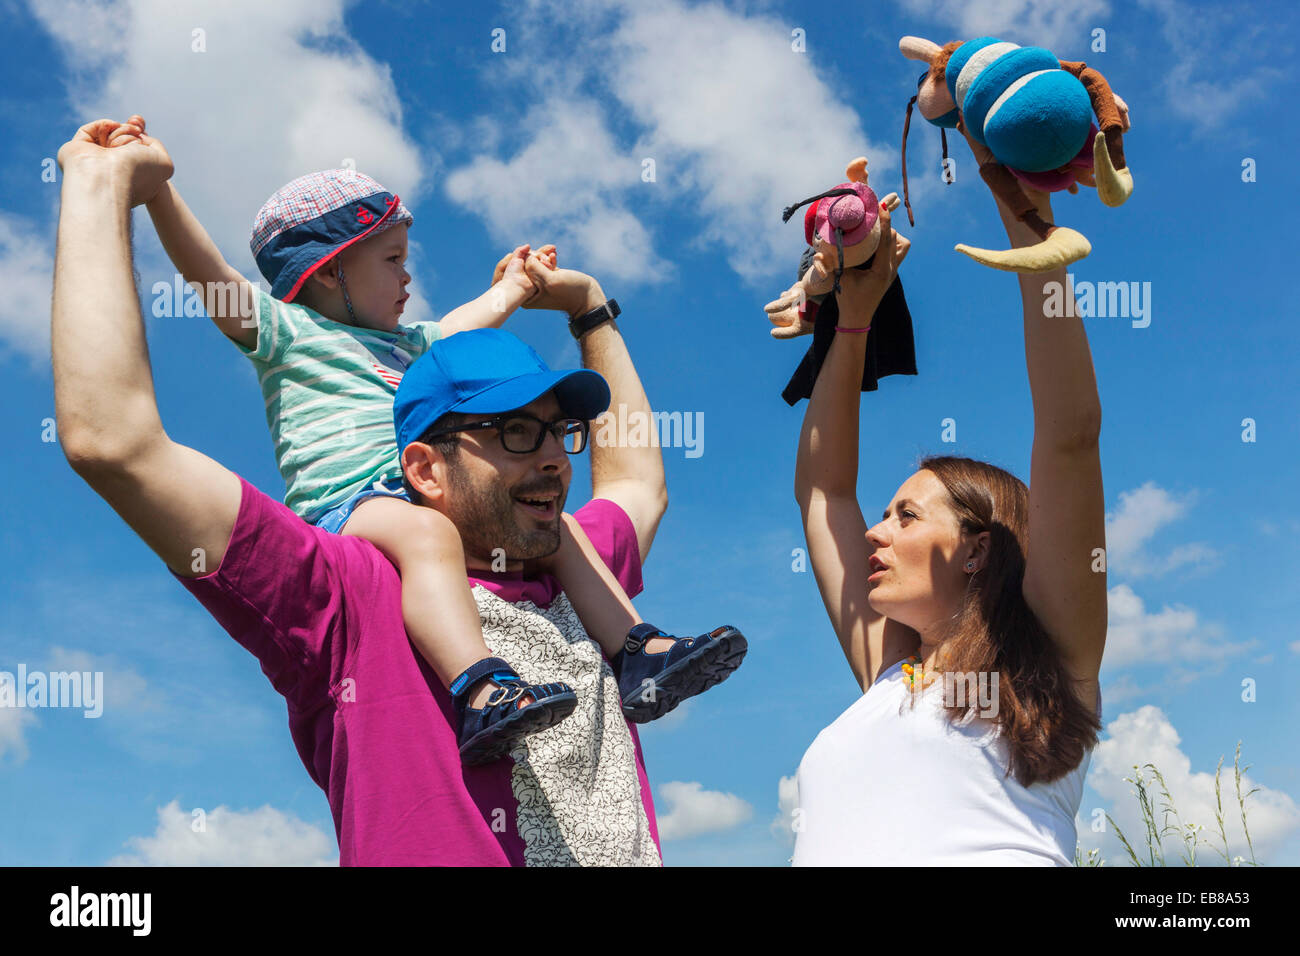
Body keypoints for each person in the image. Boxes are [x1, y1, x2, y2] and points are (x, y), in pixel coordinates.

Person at [51, 116, 736, 865]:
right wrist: (125, 186)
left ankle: (638, 649)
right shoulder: (346, 595)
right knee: (428, 538)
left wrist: (584, 305)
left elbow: (634, 475)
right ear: (426, 466)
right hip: (356, 511)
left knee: (511, 534)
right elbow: (116, 435)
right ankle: (481, 685)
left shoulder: (562, 552)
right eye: (513, 432)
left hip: (423, 519)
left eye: (557, 432)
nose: (551, 459)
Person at [789, 124, 1106, 866]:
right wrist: (855, 317)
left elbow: (1070, 435)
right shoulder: (887, 675)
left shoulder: (1050, 662)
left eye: (906, 515)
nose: (875, 532)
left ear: (979, 550)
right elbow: (824, 490)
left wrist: (1030, 231)